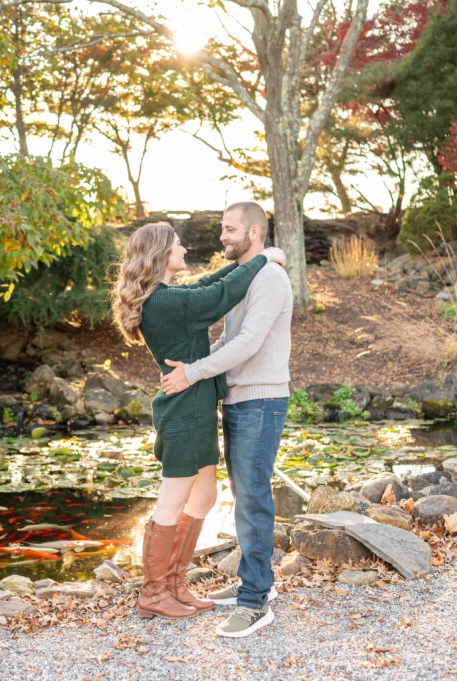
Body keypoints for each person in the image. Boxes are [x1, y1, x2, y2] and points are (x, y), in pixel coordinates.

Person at [111, 221, 286, 621]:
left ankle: (173, 585)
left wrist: (253, 260)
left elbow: (209, 283)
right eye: (178, 245)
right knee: (171, 502)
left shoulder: (168, 295)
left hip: (197, 405)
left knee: (204, 497)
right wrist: (262, 258)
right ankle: (154, 593)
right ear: (160, 255)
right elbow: (220, 295)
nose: (185, 249)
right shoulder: (164, 302)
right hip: (183, 412)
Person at [161, 201, 293, 639]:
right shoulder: (253, 272)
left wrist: (193, 373)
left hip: (261, 400)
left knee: (253, 498)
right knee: (244, 496)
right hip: (240, 400)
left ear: (254, 232)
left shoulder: (270, 277)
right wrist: (191, 364)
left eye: (229, 229)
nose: (222, 236)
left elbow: (251, 343)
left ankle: (256, 603)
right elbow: (228, 338)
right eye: (222, 228)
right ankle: (255, 586)